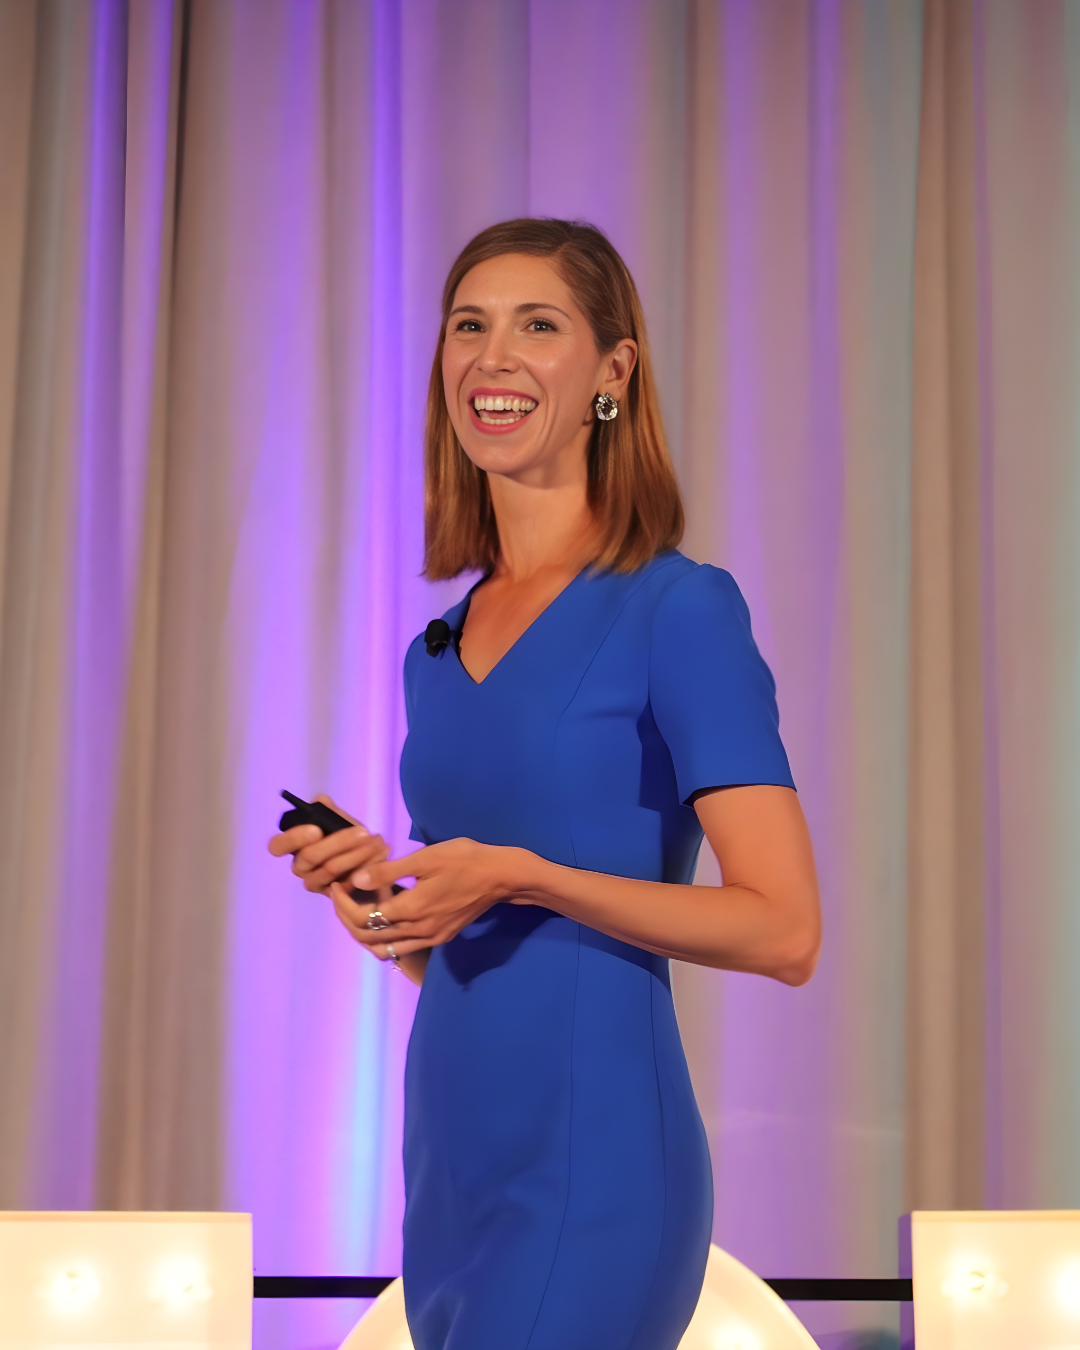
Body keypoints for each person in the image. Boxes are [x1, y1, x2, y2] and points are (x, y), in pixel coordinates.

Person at [269, 218, 821, 1350]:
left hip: (599, 1160)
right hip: (453, 1161)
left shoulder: (679, 608)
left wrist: (524, 874)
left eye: (538, 325)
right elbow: (473, 951)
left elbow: (785, 930)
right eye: (469, 326)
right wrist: (379, 899)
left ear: (611, 372)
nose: (492, 357)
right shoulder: (437, 647)